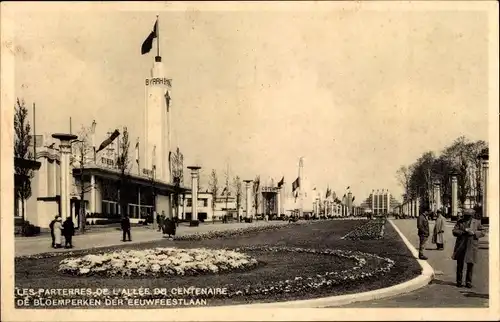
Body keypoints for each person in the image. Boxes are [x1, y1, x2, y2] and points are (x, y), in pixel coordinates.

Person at [452, 208, 485, 288]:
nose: (467, 217)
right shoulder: (460, 221)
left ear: (472, 215)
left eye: (469, 216)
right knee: (460, 264)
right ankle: (459, 281)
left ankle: (468, 282)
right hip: (461, 245)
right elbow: (454, 231)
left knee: (470, 264)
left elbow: (483, 232)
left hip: (471, 245)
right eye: (466, 216)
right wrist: (464, 231)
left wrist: (474, 233)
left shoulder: (477, 222)